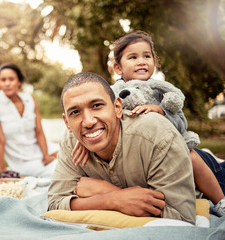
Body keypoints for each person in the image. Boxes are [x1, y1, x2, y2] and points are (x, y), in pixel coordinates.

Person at [72, 31, 225, 217]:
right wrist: (82, 141)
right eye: (133, 57)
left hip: (185, 155)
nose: (142, 61)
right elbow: (98, 118)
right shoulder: (111, 94)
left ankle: (220, 201)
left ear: (155, 62)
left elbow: (181, 125)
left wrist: (162, 111)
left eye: (147, 56)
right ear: (118, 68)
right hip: (155, 160)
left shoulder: (161, 92)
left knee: (191, 156)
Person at [48, 72, 197, 224]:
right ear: (67, 122)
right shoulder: (71, 142)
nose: (88, 122)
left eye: (97, 106)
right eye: (75, 112)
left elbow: (182, 219)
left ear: (118, 107)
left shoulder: (157, 134)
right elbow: (54, 205)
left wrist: (102, 192)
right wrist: (111, 198)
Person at [0, 63, 58, 177]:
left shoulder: (30, 99)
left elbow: (39, 131)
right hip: (22, 159)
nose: (7, 83)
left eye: (11, 79)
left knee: (74, 158)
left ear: (19, 81)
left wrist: (46, 155)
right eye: (3, 80)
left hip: (42, 148)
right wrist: (0, 168)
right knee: (63, 169)